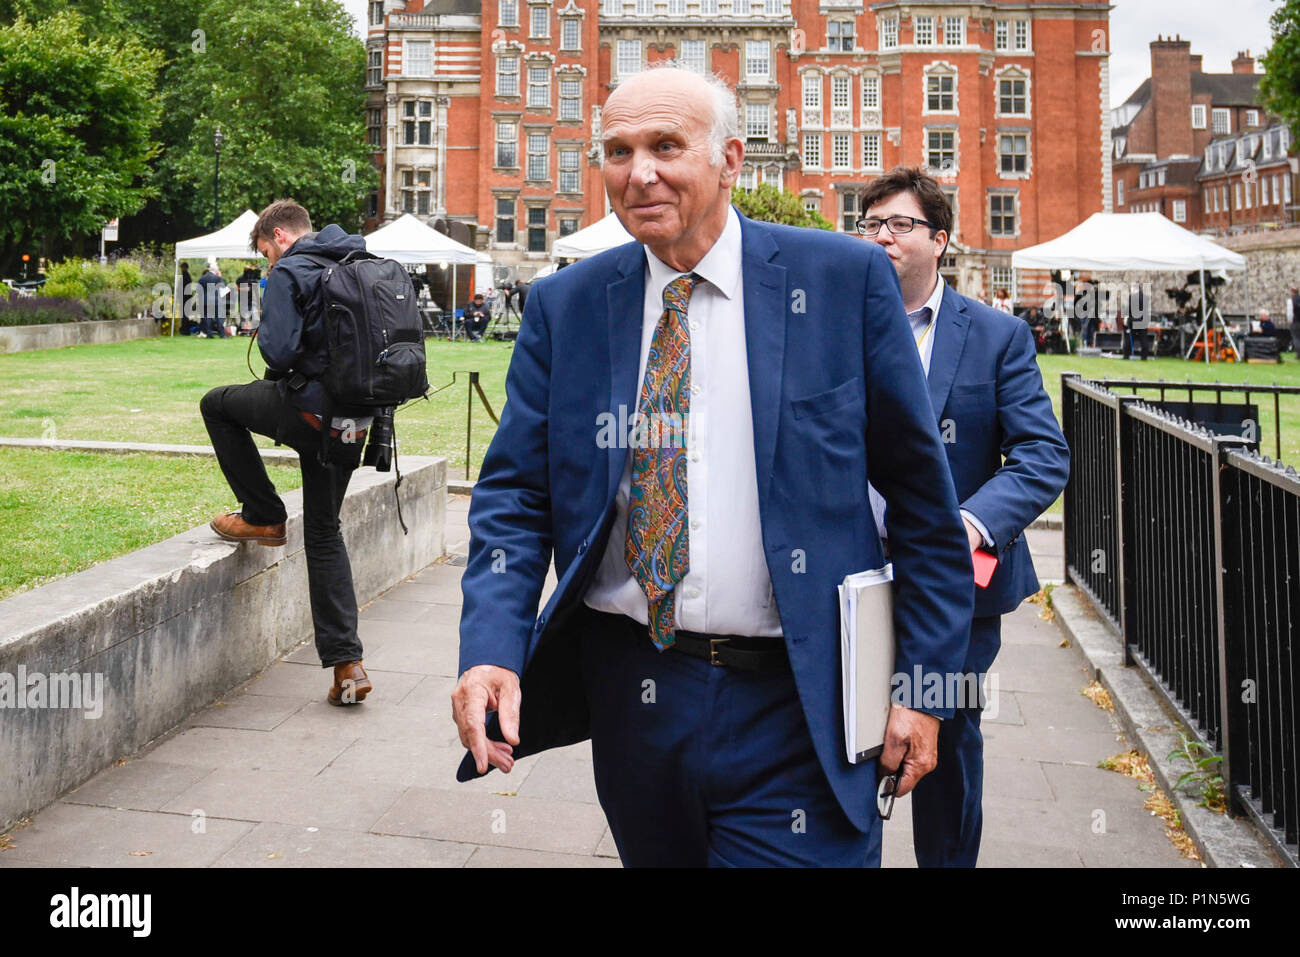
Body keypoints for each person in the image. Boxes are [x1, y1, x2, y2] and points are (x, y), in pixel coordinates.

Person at [450, 65, 974, 867]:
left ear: (732, 159)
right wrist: (490, 645)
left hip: (801, 704)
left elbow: (922, 501)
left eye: (667, 146)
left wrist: (924, 687)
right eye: (618, 151)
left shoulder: (841, 282)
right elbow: (517, 494)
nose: (640, 172)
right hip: (636, 697)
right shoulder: (569, 305)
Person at [860, 167, 1070, 867]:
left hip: (958, 590)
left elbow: (1042, 455)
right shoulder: (838, 325)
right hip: (849, 581)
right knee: (843, 744)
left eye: (899, 224)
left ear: (940, 240)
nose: (882, 235)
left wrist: (969, 526)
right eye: (871, 223)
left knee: (943, 747)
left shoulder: (997, 336)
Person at [199, 199, 376, 707]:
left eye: (265, 254)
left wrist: (273, 307)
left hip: (307, 410)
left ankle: (264, 516)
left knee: (217, 405)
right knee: (324, 532)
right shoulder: (359, 260)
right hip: (356, 420)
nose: (268, 265)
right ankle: (348, 666)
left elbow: (277, 353)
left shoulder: (291, 270)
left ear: (278, 236)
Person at [196, 264, 229, 338]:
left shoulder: (202, 279)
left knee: (207, 317)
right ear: (216, 270)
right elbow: (224, 290)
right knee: (219, 317)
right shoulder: (218, 278)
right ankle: (222, 334)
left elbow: (198, 290)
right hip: (216, 300)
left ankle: (209, 334)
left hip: (205, 301)